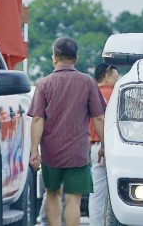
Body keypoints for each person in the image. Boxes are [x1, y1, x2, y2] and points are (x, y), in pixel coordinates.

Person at [29, 37, 106, 226]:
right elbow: (98, 118)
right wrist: (104, 145)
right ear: (76, 58)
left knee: (52, 194)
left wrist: (34, 151)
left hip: (51, 152)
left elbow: (38, 119)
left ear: (54, 58)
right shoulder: (87, 82)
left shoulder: (44, 84)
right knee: (74, 198)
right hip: (78, 151)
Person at [88, 63, 119, 226]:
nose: (118, 78)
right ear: (106, 75)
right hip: (115, 148)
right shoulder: (117, 94)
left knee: (97, 195)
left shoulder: (90, 94)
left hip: (95, 147)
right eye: (115, 75)